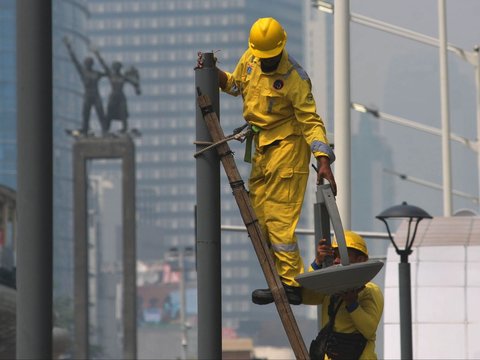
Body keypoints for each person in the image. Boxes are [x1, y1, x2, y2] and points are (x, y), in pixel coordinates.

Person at [217, 17, 336, 305]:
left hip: (289, 149)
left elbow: (310, 121)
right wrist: (213, 74)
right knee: (258, 220)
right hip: (263, 149)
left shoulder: (295, 79)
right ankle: (278, 280)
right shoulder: (251, 58)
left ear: (281, 49)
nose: (267, 64)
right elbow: (235, 86)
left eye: (271, 59)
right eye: (263, 59)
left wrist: (323, 158)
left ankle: (291, 284)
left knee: (280, 221)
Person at [303, 231, 384, 360]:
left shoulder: (370, 291)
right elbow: (306, 296)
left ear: (360, 260)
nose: (336, 260)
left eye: (342, 256)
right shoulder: (330, 289)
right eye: (334, 255)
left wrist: (352, 303)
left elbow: (369, 330)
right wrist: (317, 263)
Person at [63, 37, 107, 135]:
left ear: (91, 64)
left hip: (96, 96)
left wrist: (98, 55)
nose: (86, 64)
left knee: (101, 113)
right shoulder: (83, 72)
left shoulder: (96, 73)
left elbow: (107, 72)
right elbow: (74, 60)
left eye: (88, 63)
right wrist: (69, 47)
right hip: (88, 96)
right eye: (85, 63)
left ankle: (104, 130)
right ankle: (85, 130)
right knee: (85, 115)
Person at [93, 48, 141, 133]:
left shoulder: (123, 77)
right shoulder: (111, 75)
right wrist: (97, 54)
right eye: (115, 67)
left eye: (117, 67)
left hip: (121, 97)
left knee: (123, 114)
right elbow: (103, 64)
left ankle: (124, 128)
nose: (115, 69)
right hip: (113, 96)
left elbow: (134, 83)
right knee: (109, 114)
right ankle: (106, 129)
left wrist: (137, 88)